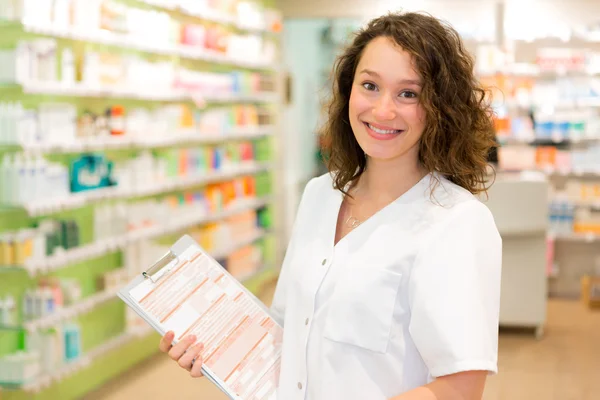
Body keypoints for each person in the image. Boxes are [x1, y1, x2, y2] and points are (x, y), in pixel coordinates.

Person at [159, 11, 502, 400]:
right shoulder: (320, 195)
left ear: (440, 107)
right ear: (348, 90)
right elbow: (289, 328)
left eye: (408, 93)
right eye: (370, 85)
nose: (383, 110)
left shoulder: (457, 222)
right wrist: (216, 346)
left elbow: (459, 389)